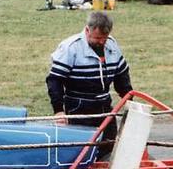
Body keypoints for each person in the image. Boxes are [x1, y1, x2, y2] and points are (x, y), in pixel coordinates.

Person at [46, 12, 132, 153]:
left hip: (104, 107)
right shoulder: (70, 48)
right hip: (78, 108)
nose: (102, 42)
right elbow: (55, 80)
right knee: (81, 152)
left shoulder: (112, 45)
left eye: (104, 38)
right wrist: (59, 111)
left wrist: (128, 98)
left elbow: (121, 75)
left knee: (109, 148)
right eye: (97, 38)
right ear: (87, 30)